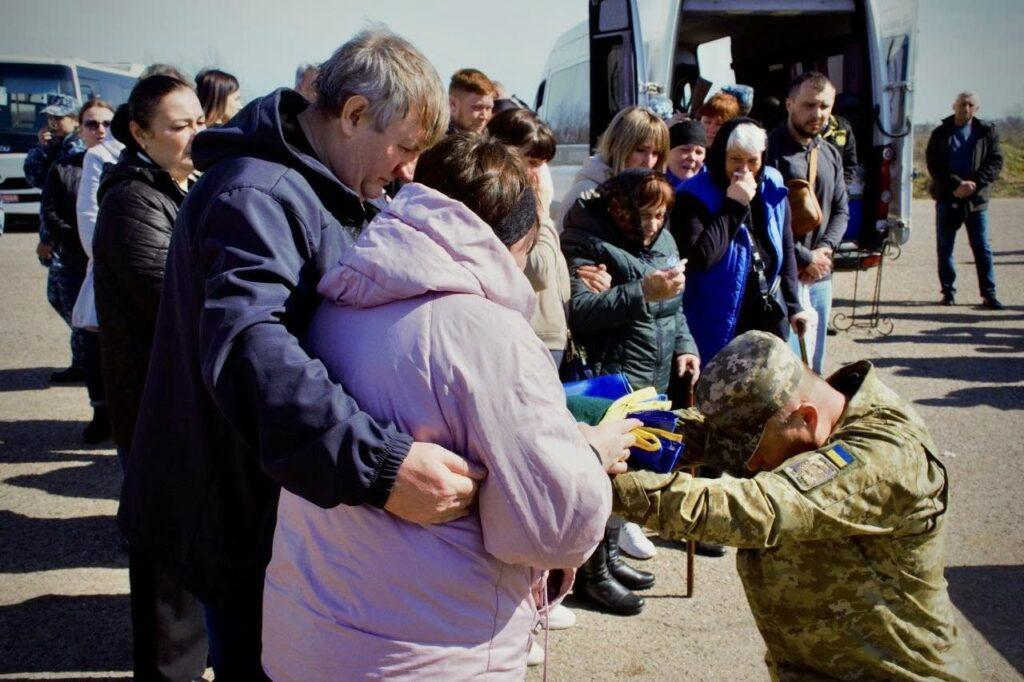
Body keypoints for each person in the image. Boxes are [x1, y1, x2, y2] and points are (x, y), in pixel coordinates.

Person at [120, 29, 484, 678]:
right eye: (403, 148)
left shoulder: (319, 187)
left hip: (268, 503)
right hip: (237, 516)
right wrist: (380, 465)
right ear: (351, 115)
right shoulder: (258, 196)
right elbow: (253, 351)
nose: (407, 172)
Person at [263, 131, 630, 679]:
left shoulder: (337, 297)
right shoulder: (488, 331)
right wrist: (591, 454)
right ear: (508, 241)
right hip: (427, 651)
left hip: (309, 627)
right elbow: (551, 526)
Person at [611, 330, 980, 681]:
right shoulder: (799, 420)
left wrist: (598, 484)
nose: (749, 464)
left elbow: (756, 509)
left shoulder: (882, 459)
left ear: (807, 418)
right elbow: (706, 432)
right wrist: (612, 433)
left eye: (757, 451)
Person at [93, 75, 209, 681]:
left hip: (186, 400)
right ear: (139, 133)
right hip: (156, 404)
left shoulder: (181, 186)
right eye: (179, 125)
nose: (196, 133)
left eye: (199, 120)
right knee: (167, 567)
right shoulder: (131, 200)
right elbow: (170, 294)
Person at [561, 168, 699, 614]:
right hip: (611, 375)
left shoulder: (665, 242)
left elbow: (675, 307)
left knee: (631, 468)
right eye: (645, 214)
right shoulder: (586, 242)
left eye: (661, 214)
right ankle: (590, 574)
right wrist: (642, 290)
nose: (653, 224)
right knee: (605, 474)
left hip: (653, 373)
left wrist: (685, 346)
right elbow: (580, 312)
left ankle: (612, 556)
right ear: (620, 208)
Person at [673, 117, 808, 365]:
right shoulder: (693, 195)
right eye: (735, 160)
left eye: (752, 161)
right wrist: (734, 204)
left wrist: (794, 305)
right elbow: (701, 257)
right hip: (714, 317)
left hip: (764, 313)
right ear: (721, 156)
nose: (744, 170)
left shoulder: (772, 184)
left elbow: (785, 245)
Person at [41, 98, 115, 443]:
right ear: (80, 127)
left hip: (106, 262)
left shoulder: (118, 162)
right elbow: (52, 213)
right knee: (89, 340)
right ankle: (99, 411)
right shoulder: (65, 167)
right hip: (76, 263)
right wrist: (79, 244)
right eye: (91, 124)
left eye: (105, 123)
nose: (99, 130)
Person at [767, 72, 849, 374]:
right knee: (785, 370)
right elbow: (765, 221)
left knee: (814, 365)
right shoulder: (769, 152)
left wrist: (824, 251)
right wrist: (804, 257)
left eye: (825, 106)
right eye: (809, 105)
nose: (818, 114)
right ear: (790, 104)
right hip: (783, 277)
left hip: (820, 277)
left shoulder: (829, 153)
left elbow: (841, 210)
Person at [487, 108, 568, 366]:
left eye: (544, 165)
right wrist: (541, 211)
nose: (539, 175)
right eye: (532, 163)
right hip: (531, 336)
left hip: (549, 335)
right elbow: (539, 271)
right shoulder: (502, 204)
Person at [26, 93, 86, 383]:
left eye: (59, 118)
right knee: (63, 299)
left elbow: (59, 200)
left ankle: (85, 360)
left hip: (67, 238)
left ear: (74, 121)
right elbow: (35, 178)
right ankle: (82, 358)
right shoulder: (55, 148)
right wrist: (42, 149)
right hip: (60, 235)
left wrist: (49, 237)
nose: (54, 123)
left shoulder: (75, 149)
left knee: (69, 300)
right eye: (50, 117)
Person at [926, 91, 1004, 309]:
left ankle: (989, 294)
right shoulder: (940, 133)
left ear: (976, 109)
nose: (966, 108)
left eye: (970, 105)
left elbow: (995, 161)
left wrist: (974, 183)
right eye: (962, 104)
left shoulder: (986, 132)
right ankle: (948, 292)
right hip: (948, 197)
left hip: (976, 200)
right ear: (954, 106)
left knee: (982, 247)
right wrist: (956, 184)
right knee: (945, 248)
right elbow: (934, 164)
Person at [555, 105, 669, 230]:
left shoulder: (653, 195)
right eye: (640, 150)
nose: (649, 161)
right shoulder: (585, 194)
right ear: (618, 147)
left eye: (656, 153)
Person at [448, 67, 495, 133]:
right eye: (477, 107)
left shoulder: (491, 139)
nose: (485, 116)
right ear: (453, 104)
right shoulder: (433, 140)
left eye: (488, 108)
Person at [665, 119, 707, 190]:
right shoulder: (650, 185)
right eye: (685, 150)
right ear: (667, 152)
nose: (692, 158)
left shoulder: (712, 188)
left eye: (699, 152)